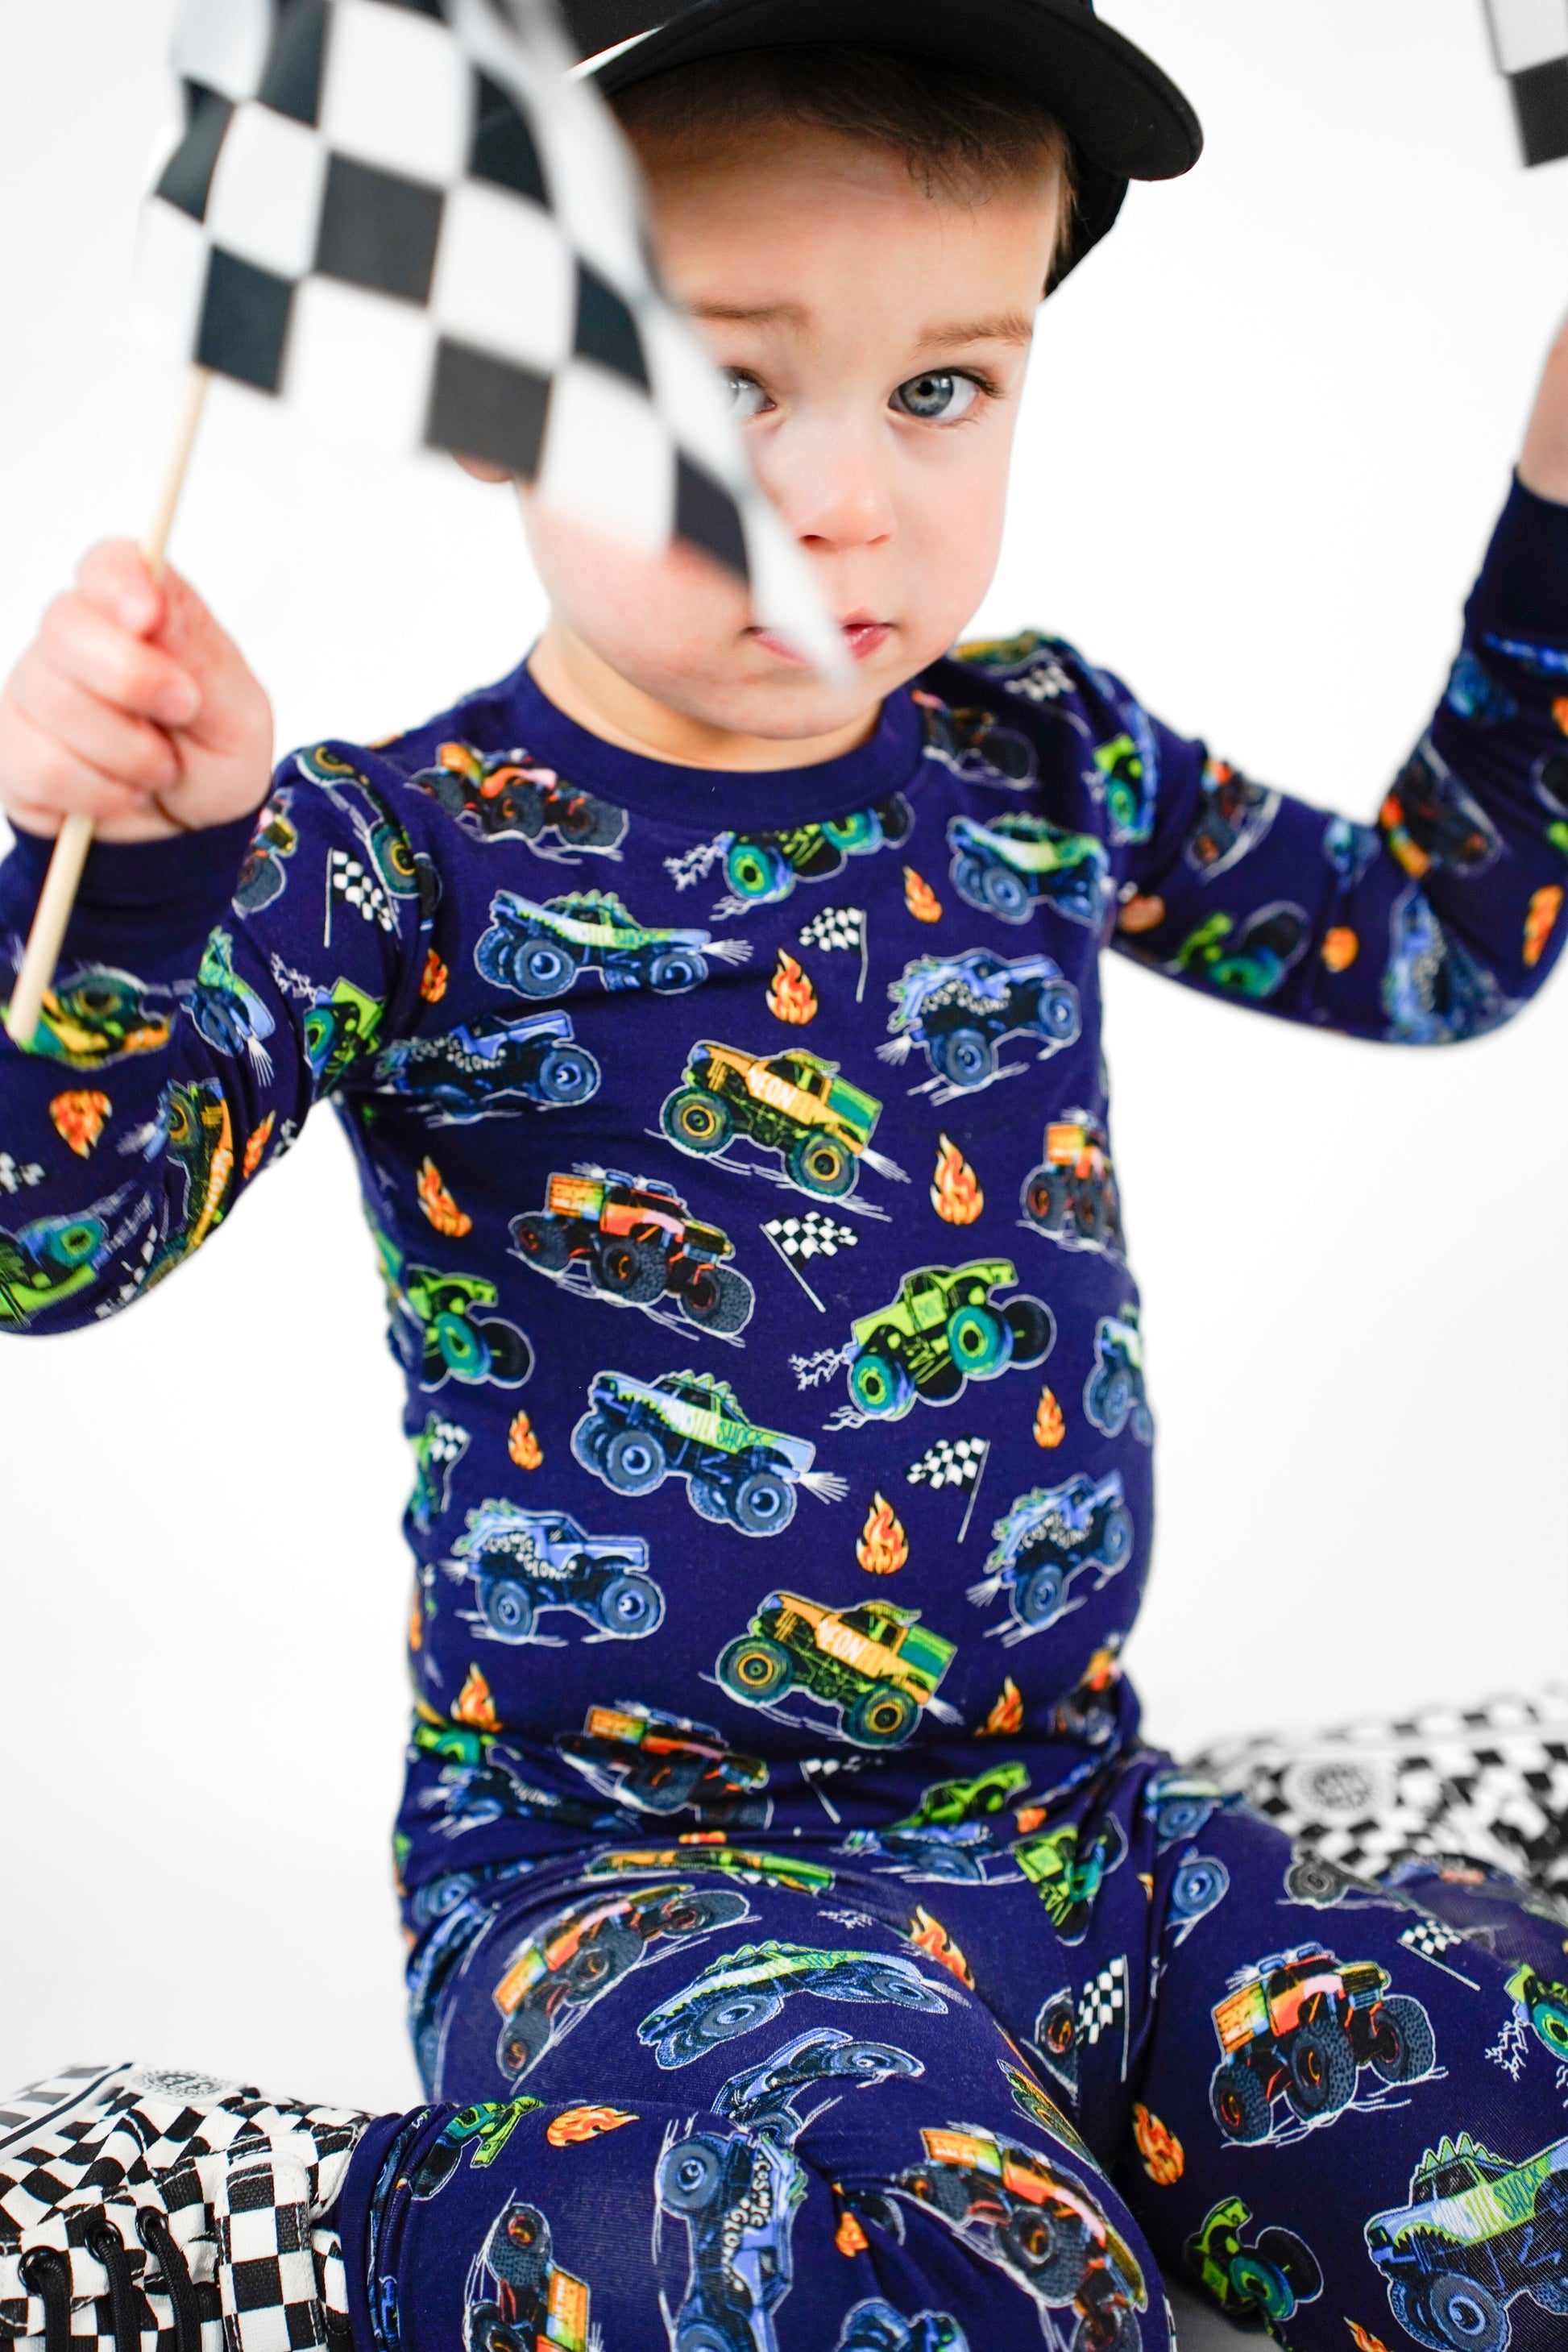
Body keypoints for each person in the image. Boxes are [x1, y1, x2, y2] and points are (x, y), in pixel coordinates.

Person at [2, 7, 1567, 2346]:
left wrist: (1560, 499)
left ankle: (1287, 1894)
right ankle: (262, 2220)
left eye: (939, 388)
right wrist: (125, 879)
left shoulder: (1038, 748)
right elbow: (45, 1242)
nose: (840, 503)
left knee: (1526, 2127)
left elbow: (1435, 941)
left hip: (1078, 1835)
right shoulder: (391, 857)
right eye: (720, 387)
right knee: (966, 2304)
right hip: (632, 1887)